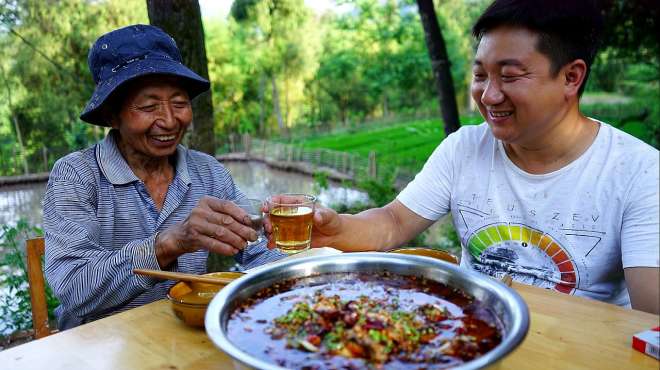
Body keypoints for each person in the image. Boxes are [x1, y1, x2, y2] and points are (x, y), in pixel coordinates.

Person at [266, 0, 659, 314]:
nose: (488, 96)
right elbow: (392, 221)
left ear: (571, 78)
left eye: (509, 76)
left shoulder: (638, 171)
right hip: (477, 340)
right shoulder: (464, 148)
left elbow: (650, 314)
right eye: (481, 75)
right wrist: (336, 231)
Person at [44, 24, 284, 330]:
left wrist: (294, 250)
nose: (170, 120)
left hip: (184, 333)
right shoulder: (76, 175)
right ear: (111, 116)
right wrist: (167, 244)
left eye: (180, 103)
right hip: (99, 347)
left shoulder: (207, 171)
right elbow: (73, 286)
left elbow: (259, 247)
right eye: (148, 106)